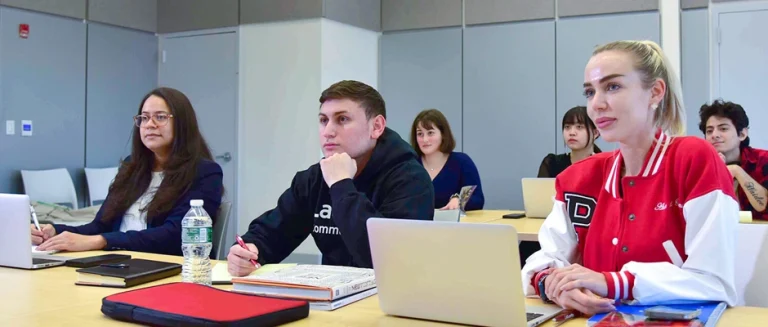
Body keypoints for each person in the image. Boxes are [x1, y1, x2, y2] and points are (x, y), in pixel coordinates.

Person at [521, 40, 739, 315]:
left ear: (655, 92)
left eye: (613, 87)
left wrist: (614, 282)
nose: (596, 105)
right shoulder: (578, 178)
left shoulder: (694, 159)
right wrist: (553, 284)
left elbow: (715, 281)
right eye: (590, 92)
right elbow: (546, 258)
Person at [227, 80, 434, 276]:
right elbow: (275, 230)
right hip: (334, 299)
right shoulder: (315, 178)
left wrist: (341, 186)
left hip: (388, 301)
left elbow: (385, 261)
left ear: (377, 127)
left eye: (342, 119)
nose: (328, 131)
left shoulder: (410, 180)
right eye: (323, 120)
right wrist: (251, 250)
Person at [31, 87, 223, 255]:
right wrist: (55, 231)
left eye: (161, 117)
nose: (150, 124)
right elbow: (101, 226)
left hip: (167, 268)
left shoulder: (205, 172)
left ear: (182, 124)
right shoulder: (133, 167)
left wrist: (102, 241)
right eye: (144, 118)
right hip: (120, 262)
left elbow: (175, 235)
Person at [699, 100, 768, 220]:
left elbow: (763, 206)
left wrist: (737, 171)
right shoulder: (699, 165)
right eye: (709, 131)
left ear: (742, 134)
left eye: (723, 129)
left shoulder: (763, 160)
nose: (715, 135)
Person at [410, 109, 484, 211]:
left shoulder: (462, 162)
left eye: (430, 133)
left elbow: (478, 199)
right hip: (415, 225)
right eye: (420, 134)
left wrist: (459, 200)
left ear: (443, 135)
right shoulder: (409, 165)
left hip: (453, 226)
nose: (425, 139)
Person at [538, 106, 601, 178]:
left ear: (595, 133)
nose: (572, 133)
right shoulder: (552, 163)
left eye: (579, 127)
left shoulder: (605, 165)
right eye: (567, 127)